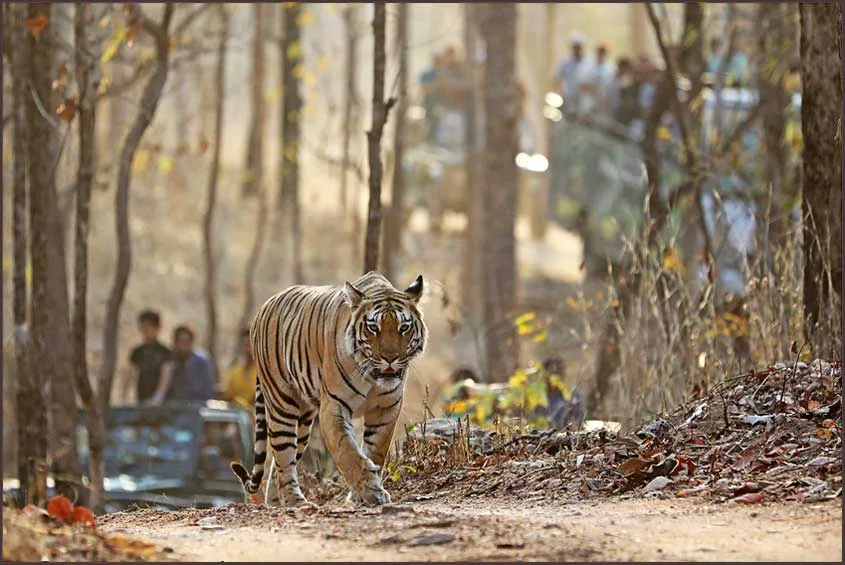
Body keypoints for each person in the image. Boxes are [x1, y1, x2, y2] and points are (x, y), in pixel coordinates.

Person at [146, 325, 214, 405]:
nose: (184, 345)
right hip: (172, 405)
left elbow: (207, 387)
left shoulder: (201, 360)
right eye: (181, 341)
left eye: (187, 341)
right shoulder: (169, 358)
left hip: (196, 405)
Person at [124, 309, 172, 405]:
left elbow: (166, 375)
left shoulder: (165, 351)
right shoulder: (137, 351)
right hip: (141, 398)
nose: (145, 330)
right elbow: (130, 374)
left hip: (162, 402)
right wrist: (124, 397)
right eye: (143, 326)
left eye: (149, 326)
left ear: (157, 328)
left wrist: (158, 396)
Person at [556, 31, 594, 116]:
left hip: (584, 103)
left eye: (579, 47)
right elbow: (558, 80)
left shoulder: (590, 63)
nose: (577, 49)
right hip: (568, 101)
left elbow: (593, 83)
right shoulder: (565, 63)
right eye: (575, 47)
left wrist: (587, 87)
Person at [220, 328, 258, 410]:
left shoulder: (263, 372)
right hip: (236, 416)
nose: (248, 348)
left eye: (250, 343)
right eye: (245, 344)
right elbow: (228, 396)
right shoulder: (235, 371)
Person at [591, 43, 617, 116]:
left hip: (607, 98)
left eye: (603, 52)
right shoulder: (590, 66)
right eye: (599, 52)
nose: (601, 54)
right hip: (593, 98)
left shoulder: (611, 67)